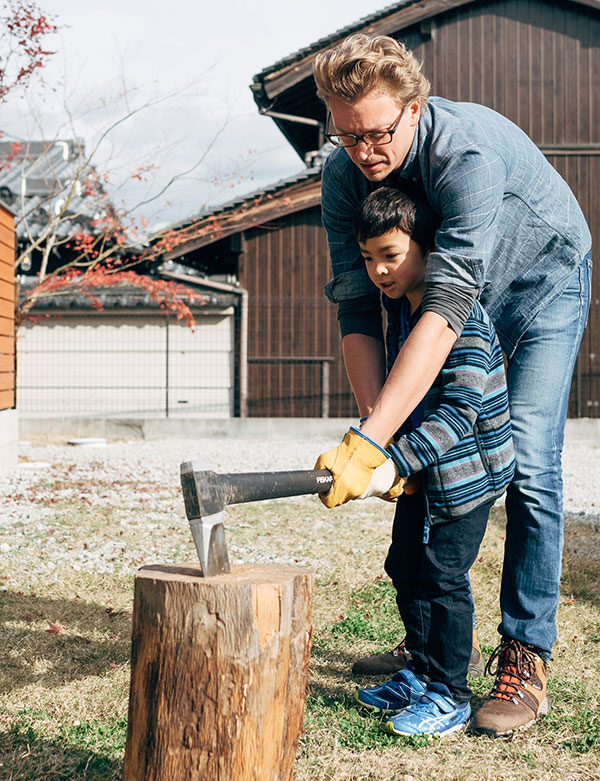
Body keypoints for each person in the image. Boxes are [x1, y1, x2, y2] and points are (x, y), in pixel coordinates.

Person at [312, 34, 592, 737]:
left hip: (541, 285)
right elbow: (356, 306)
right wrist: (384, 431)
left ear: (415, 108)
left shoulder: (464, 155)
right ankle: (435, 643)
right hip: (455, 302)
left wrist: (372, 441)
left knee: (528, 461)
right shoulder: (344, 174)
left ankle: (524, 654)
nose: (365, 151)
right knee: (418, 452)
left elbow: (447, 307)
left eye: (378, 133)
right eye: (348, 136)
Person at [336, 185, 515, 736]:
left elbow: (459, 414)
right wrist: (390, 455)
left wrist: (396, 463)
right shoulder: (398, 313)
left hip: (466, 479)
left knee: (442, 576)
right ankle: (418, 669)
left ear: (428, 250)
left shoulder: (461, 322)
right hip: (422, 475)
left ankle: (450, 692)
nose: (379, 272)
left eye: (391, 256)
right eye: (369, 259)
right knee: (404, 567)